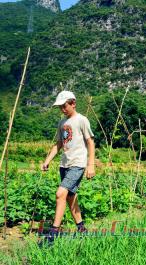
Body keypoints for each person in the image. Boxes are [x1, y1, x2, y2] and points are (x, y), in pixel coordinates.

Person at [41, 91, 95, 236]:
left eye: (64, 106)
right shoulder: (62, 123)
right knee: (70, 196)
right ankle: (82, 229)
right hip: (64, 165)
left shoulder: (81, 120)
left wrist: (91, 165)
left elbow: (90, 142)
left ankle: (53, 233)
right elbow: (58, 144)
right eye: (60, 107)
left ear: (73, 104)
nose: (62, 110)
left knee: (60, 194)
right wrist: (47, 161)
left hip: (78, 164)